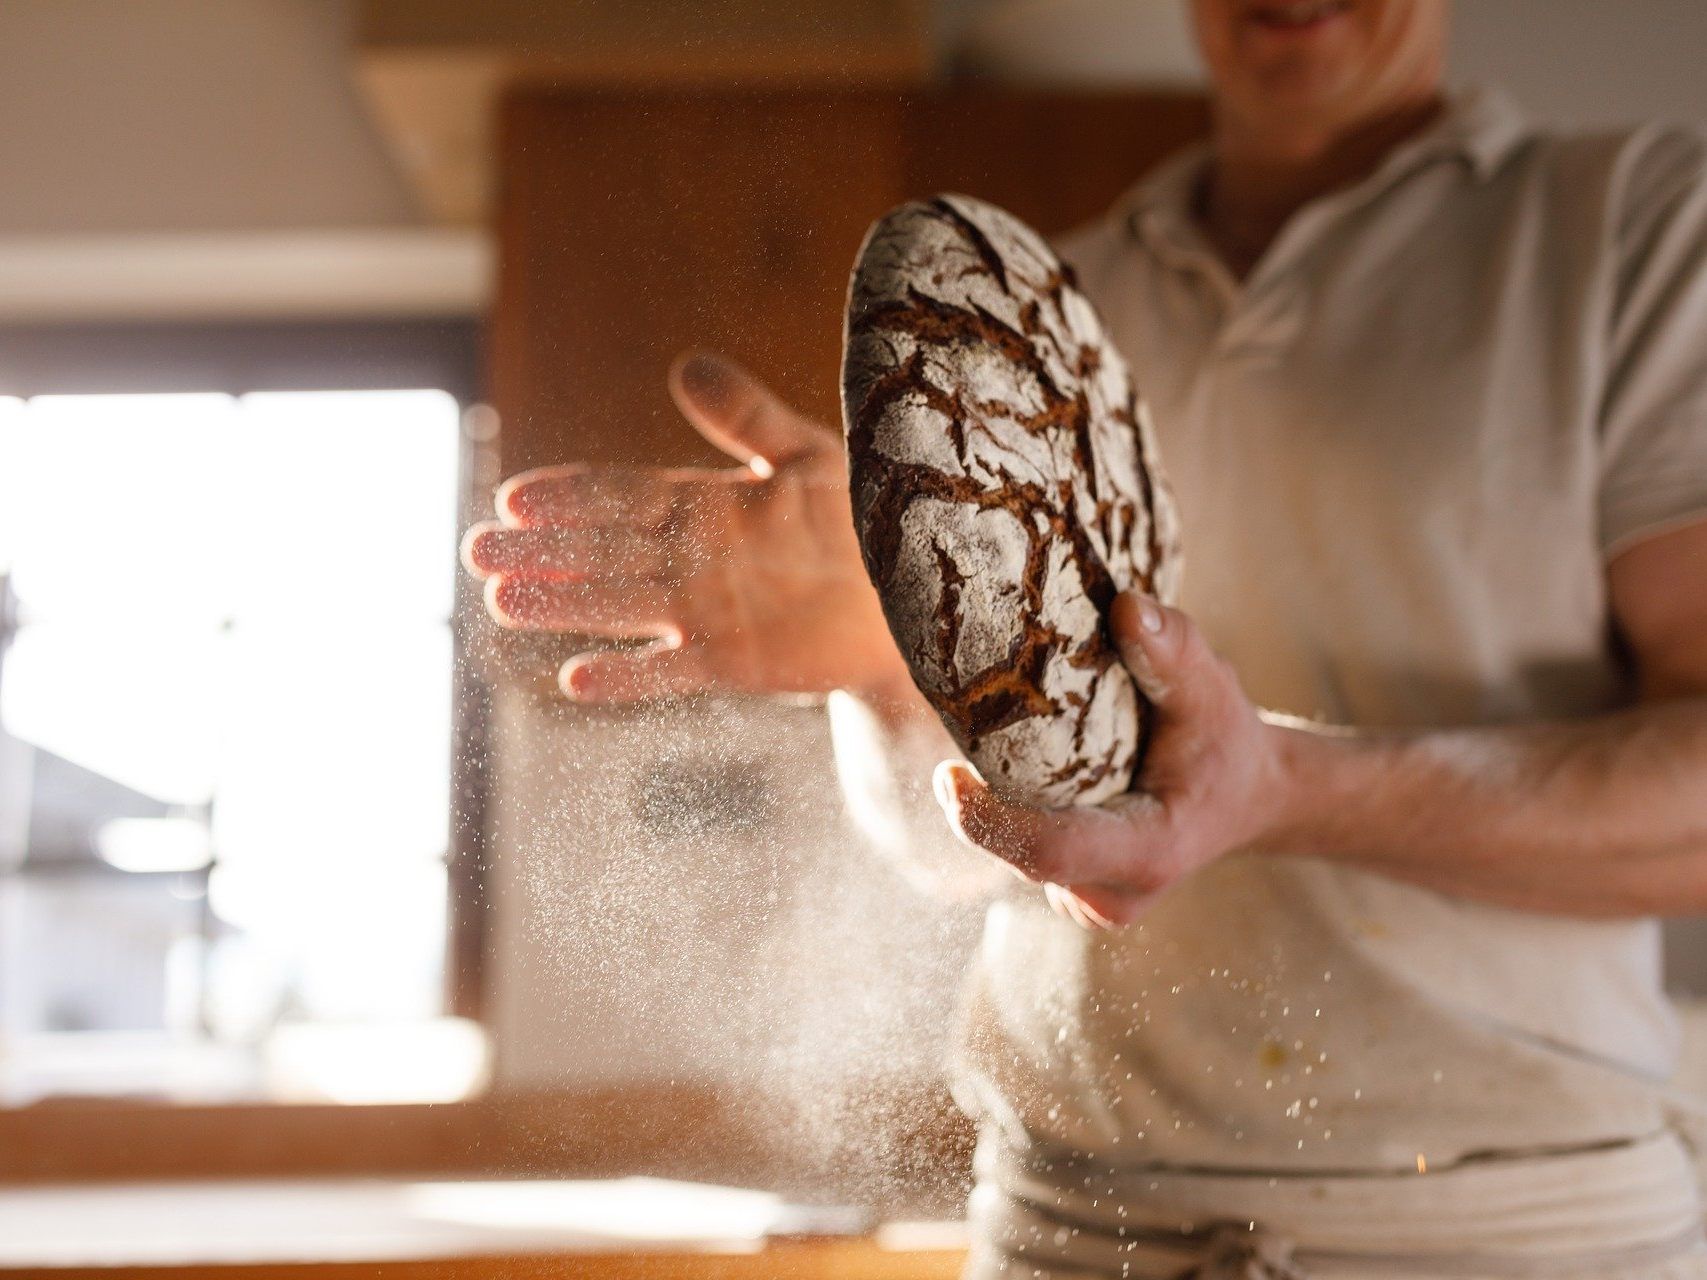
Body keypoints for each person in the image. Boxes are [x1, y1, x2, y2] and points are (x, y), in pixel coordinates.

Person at [464, 0, 1707, 1274]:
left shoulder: (1637, 229)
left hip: (1506, 1234)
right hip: (1067, 1229)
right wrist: (894, 657)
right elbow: (971, 853)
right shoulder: (1033, 304)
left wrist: (1284, 787)